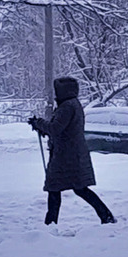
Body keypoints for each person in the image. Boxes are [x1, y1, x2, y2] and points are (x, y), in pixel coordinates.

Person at [28, 77, 116, 226]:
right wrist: (42, 127)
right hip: (72, 154)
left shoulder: (67, 107)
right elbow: (64, 130)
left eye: (57, 90)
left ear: (63, 91)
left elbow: (55, 129)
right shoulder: (73, 104)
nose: (55, 93)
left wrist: (39, 124)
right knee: (78, 188)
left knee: (55, 188)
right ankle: (106, 216)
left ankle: (50, 225)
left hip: (66, 157)